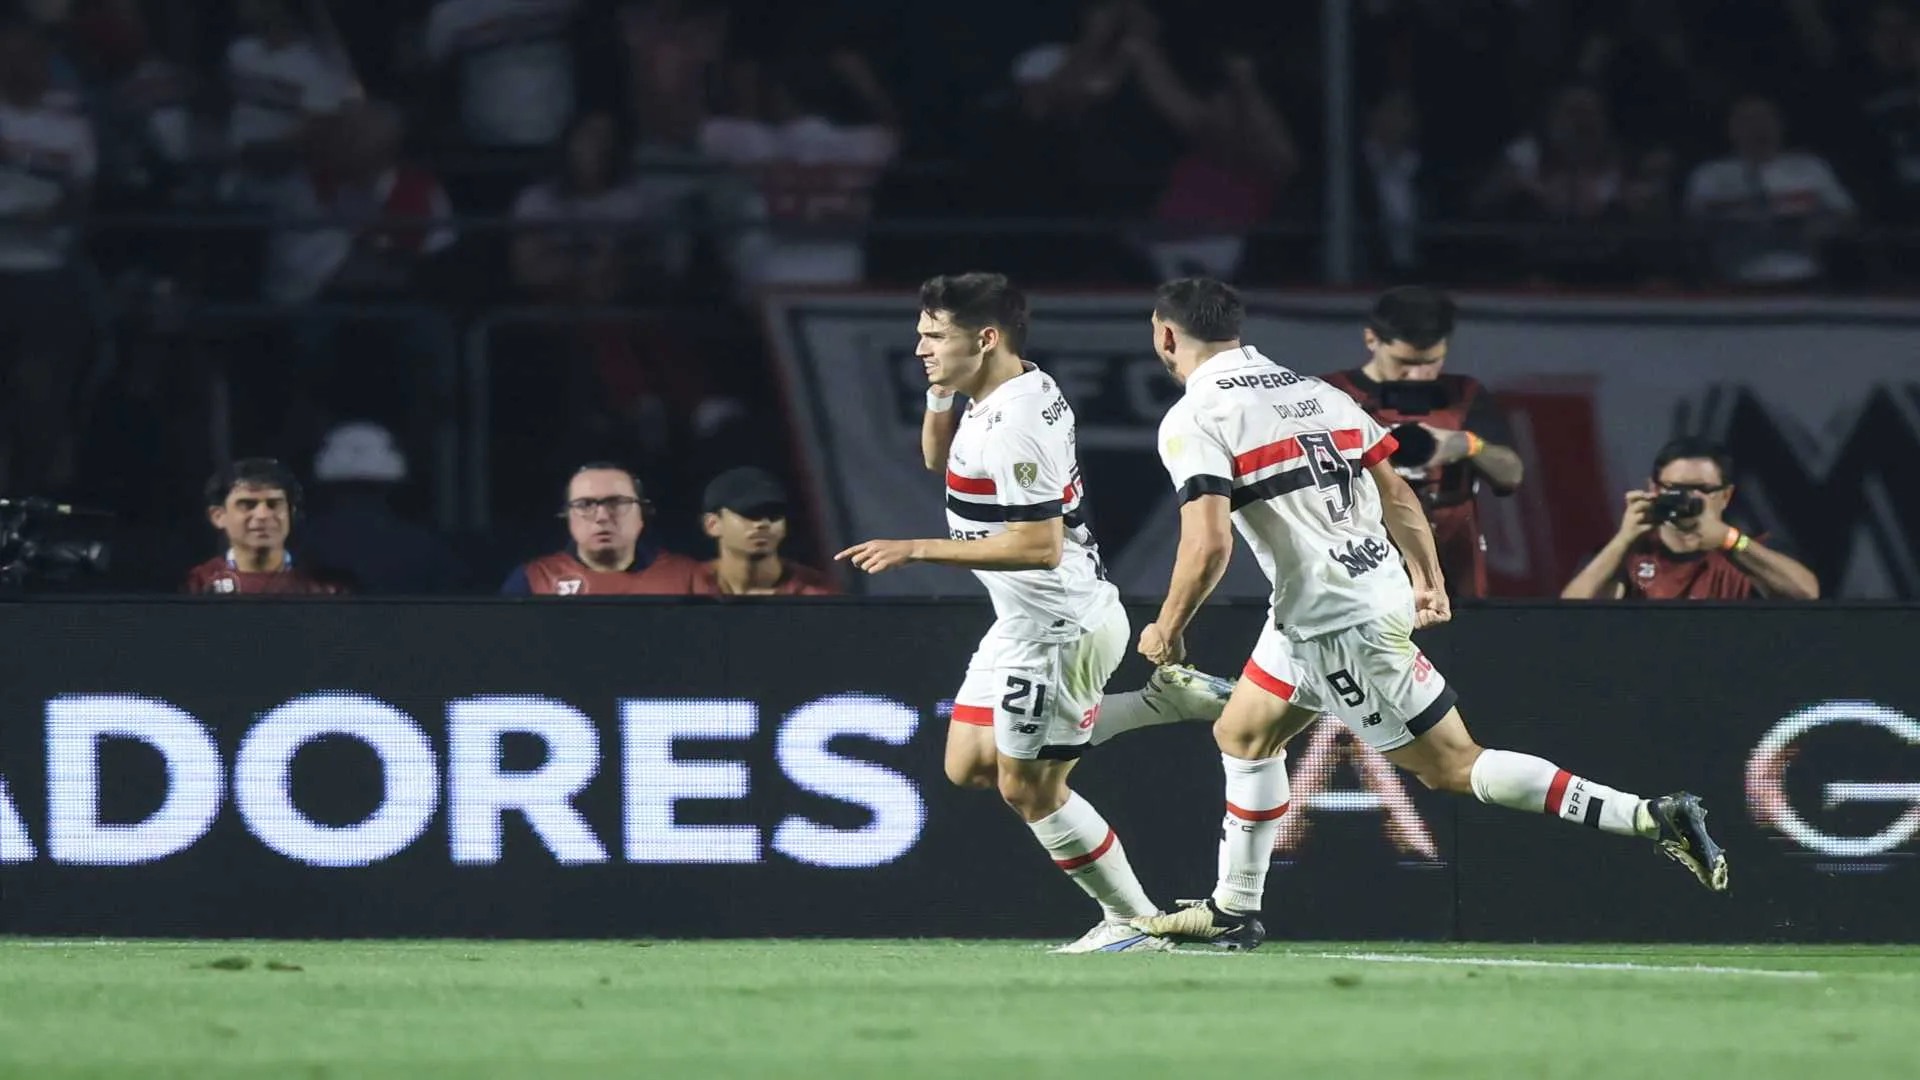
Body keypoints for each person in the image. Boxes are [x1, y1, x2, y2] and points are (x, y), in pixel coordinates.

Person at [1128, 278, 1728, 951]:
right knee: (1243, 734)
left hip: (1336, 622)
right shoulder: (1315, 394)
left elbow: (1208, 542)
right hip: (1334, 598)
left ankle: (1652, 817)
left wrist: (1167, 628)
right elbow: (1396, 493)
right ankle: (1233, 908)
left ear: (1166, 335)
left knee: (1452, 766)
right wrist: (1428, 577)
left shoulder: (1196, 416)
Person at [837, 272, 1234, 953]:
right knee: (968, 764)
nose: (920, 349)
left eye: (935, 337)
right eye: (919, 335)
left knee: (1029, 789)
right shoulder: (998, 389)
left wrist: (915, 549)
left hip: (1058, 629)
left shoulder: (1018, 422)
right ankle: (1159, 704)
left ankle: (1131, 924)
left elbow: (1040, 546)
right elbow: (938, 458)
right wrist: (938, 390)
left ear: (985, 338)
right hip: (1022, 623)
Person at [1320, 287, 1523, 600]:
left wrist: (1468, 444)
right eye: (1404, 362)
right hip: (1361, 562)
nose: (1417, 376)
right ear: (1371, 339)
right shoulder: (1330, 395)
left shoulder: (1463, 395)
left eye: (1431, 362)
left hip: (1454, 568)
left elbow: (1511, 475)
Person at [1561, 437, 1820, 601]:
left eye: (1704, 490)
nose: (1689, 500)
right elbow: (1570, 616)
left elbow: (1806, 593)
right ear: (1654, 489)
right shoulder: (1628, 556)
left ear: (1726, 495)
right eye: (1676, 489)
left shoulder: (1748, 550)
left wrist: (1728, 539)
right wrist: (1623, 540)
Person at [501, 463, 700, 595]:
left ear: (643, 513)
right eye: (585, 504)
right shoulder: (534, 579)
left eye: (617, 503)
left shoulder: (687, 577)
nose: (602, 516)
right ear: (567, 516)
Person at [184, 458, 342, 594]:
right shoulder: (197, 584)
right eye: (247, 504)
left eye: (273, 504)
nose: (263, 515)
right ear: (218, 516)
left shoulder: (326, 587)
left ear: (290, 512)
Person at [691, 466, 833, 596]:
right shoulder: (685, 585)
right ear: (713, 524)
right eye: (749, 513)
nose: (763, 524)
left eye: (774, 515)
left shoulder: (817, 593)